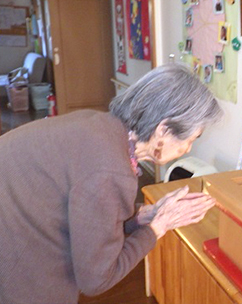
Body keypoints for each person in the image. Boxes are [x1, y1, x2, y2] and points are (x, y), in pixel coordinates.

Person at [0, 64, 223, 304]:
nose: (187, 150)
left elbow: (86, 208)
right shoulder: (110, 169)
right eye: (189, 140)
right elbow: (97, 280)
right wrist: (158, 226)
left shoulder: (101, 125)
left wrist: (140, 217)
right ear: (163, 130)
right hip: (17, 253)